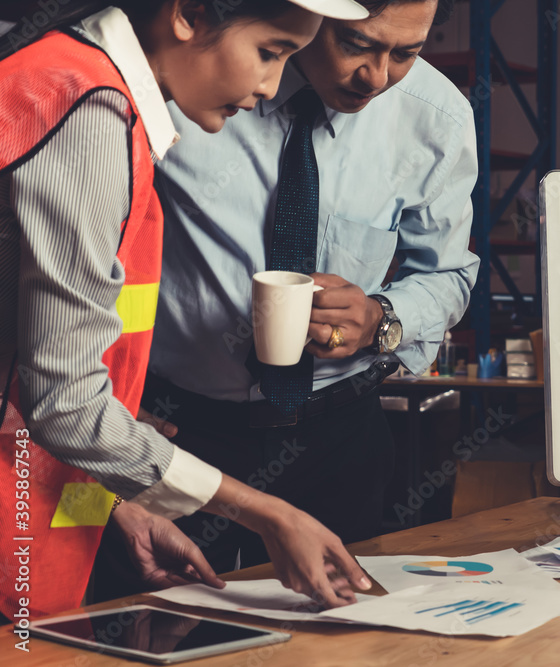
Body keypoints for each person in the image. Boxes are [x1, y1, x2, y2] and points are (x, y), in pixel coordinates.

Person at [0, 0, 375, 621]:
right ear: (190, 14)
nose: (270, 87)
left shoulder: (83, 87)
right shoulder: (87, 111)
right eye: (270, 52)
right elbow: (63, 403)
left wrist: (122, 504)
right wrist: (266, 513)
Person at [92, 0, 478, 594]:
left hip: (339, 437)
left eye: (406, 53)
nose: (376, 77)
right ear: (313, 14)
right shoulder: (193, 78)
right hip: (176, 430)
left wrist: (382, 318)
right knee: (157, 631)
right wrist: (105, 404)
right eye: (357, 44)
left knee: (339, 640)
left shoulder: (436, 117)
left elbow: (449, 275)